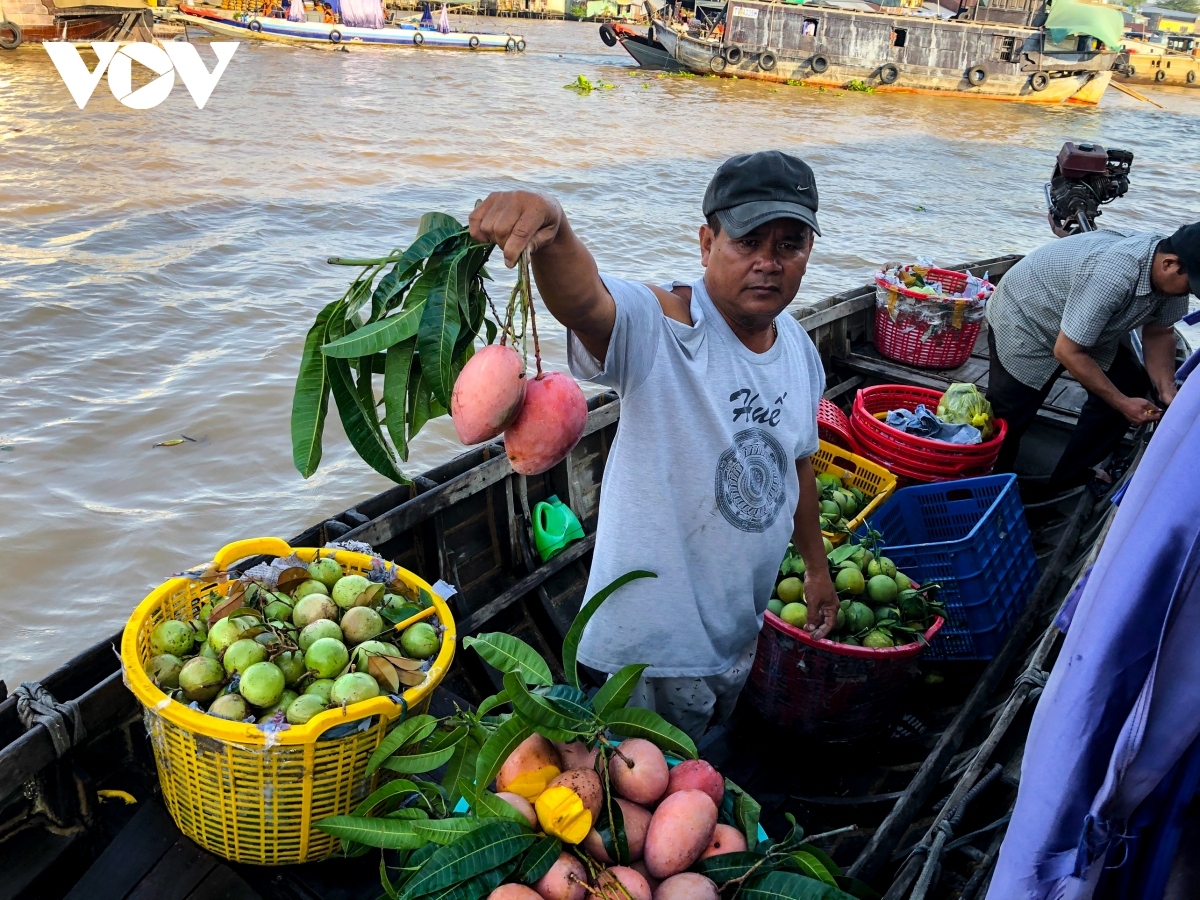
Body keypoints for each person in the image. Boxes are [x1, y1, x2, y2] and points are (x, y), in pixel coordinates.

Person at [468, 151, 838, 741]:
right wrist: (555, 228)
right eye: (746, 242)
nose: (768, 264)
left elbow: (798, 466)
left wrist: (817, 569)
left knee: (698, 774)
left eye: (789, 245)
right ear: (706, 243)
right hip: (640, 658)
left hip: (735, 633)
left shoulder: (798, 347)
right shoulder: (668, 328)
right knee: (627, 807)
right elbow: (588, 303)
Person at [984, 223, 1198, 490]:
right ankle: (992, 487)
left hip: (1085, 321)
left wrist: (1166, 389)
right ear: (1169, 264)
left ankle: (1069, 479)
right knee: (1009, 415)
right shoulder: (1115, 274)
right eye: (1191, 285)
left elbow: (1160, 332)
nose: (1190, 291)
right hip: (1028, 315)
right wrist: (1122, 403)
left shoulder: (1173, 278)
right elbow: (1067, 351)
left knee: (1129, 382)